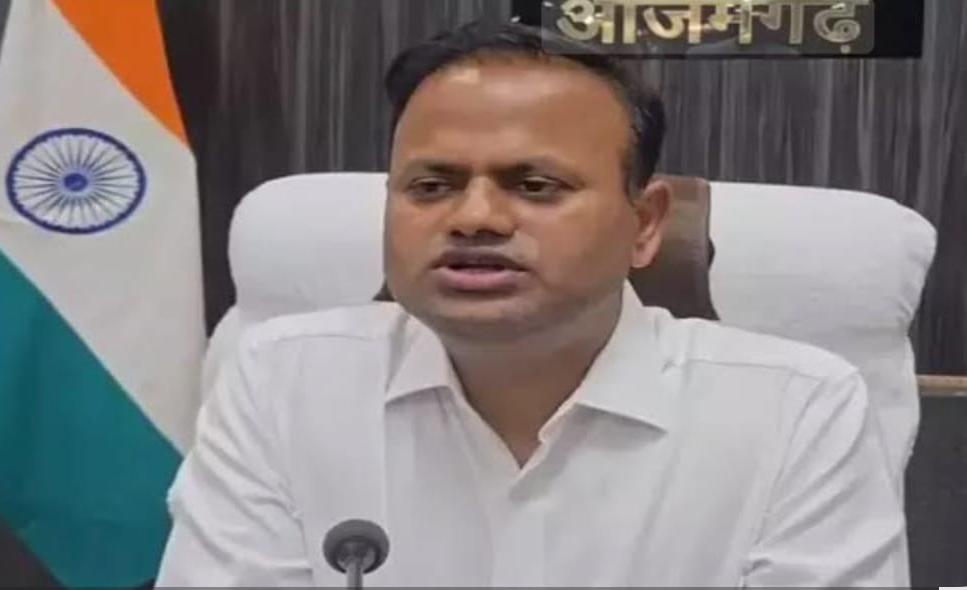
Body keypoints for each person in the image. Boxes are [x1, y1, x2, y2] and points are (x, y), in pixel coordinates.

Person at [155, 20, 909, 587]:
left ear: (646, 223)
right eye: (431, 185)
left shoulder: (797, 410)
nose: (474, 217)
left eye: (535, 185)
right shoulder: (280, 381)